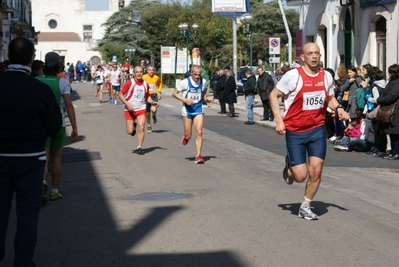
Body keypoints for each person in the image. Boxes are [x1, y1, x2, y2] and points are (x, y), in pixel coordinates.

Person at [269, 42, 349, 220]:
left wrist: (339, 109)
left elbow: (330, 98)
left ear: (320, 56)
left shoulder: (326, 76)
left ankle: (305, 205)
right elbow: (273, 95)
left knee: (316, 170)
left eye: (317, 53)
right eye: (310, 53)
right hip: (296, 131)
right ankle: (289, 167)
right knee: (300, 176)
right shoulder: (293, 76)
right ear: (303, 57)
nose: (314, 56)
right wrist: (279, 121)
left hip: (317, 130)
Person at [0, 37, 62, 267]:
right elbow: (55, 126)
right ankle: (23, 261)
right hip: (31, 159)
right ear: (31, 59)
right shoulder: (41, 90)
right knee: (27, 215)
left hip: (1, 158)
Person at [37, 52, 78, 205]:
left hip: (41, 125)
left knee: (43, 158)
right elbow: (69, 105)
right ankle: (55, 191)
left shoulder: (37, 80)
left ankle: (42, 184)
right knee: (56, 157)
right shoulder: (63, 82)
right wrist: (74, 127)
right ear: (58, 65)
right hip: (58, 124)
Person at [172, 65, 213, 164]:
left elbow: (202, 92)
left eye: (199, 75)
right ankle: (186, 137)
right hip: (187, 110)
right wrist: (185, 100)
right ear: (191, 73)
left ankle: (198, 156)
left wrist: (206, 99)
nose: (197, 77)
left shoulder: (203, 82)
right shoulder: (185, 82)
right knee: (188, 134)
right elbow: (174, 93)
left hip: (198, 109)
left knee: (199, 132)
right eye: (195, 75)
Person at [119, 66, 159, 155]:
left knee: (141, 127)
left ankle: (139, 147)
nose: (139, 74)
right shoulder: (130, 83)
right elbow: (120, 94)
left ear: (142, 72)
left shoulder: (145, 84)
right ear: (134, 73)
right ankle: (133, 125)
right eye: (137, 72)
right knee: (129, 131)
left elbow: (147, 96)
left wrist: (153, 102)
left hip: (141, 108)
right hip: (130, 110)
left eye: (140, 72)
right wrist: (127, 104)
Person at [368, 64, 399, 160]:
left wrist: (379, 100)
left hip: (395, 110)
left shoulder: (397, 83)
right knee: (391, 132)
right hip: (390, 110)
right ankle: (393, 151)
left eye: (390, 72)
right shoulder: (392, 82)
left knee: (395, 132)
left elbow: (392, 96)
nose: (388, 74)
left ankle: (396, 152)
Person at [143, 65, 162, 134]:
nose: (151, 71)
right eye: (149, 70)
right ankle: (148, 125)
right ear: (147, 71)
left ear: (154, 71)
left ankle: (154, 115)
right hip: (146, 96)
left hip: (154, 95)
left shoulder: (156, 77)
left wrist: (159, 92)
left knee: (153, 109)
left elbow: (160, 84)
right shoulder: (144, 77)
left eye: (152, 70)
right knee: (147, 113)